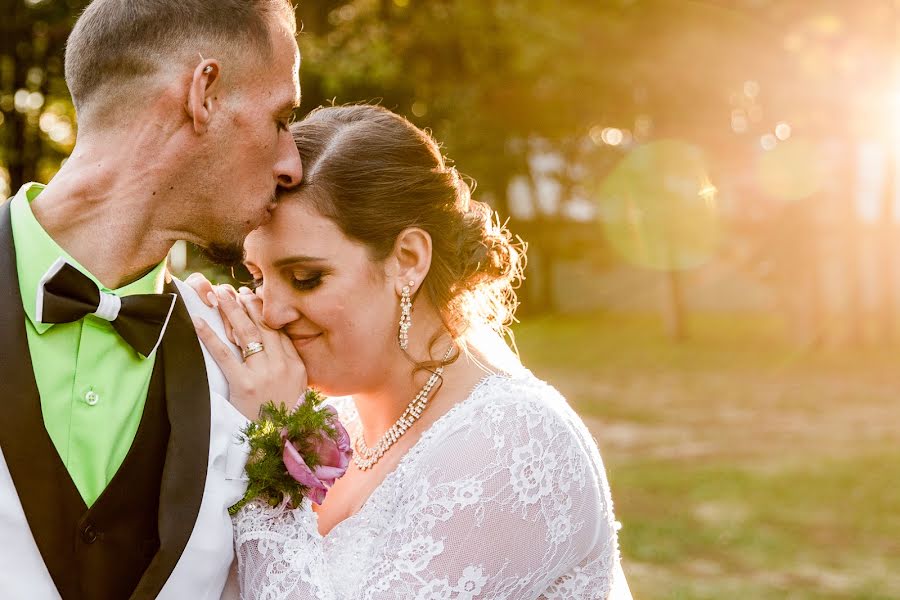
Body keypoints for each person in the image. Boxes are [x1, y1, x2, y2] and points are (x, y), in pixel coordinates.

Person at [191, 104, 633, 599]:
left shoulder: (516, 444)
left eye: (305, 278)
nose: (270, 313)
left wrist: (272, 450)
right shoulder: (335, 418)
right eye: (256, 277)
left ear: (408, 260)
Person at [0, 1, 303, 598]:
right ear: (205, 93)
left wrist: (280, 432)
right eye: (281, 118)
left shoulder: (254, 370)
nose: (292, 164)